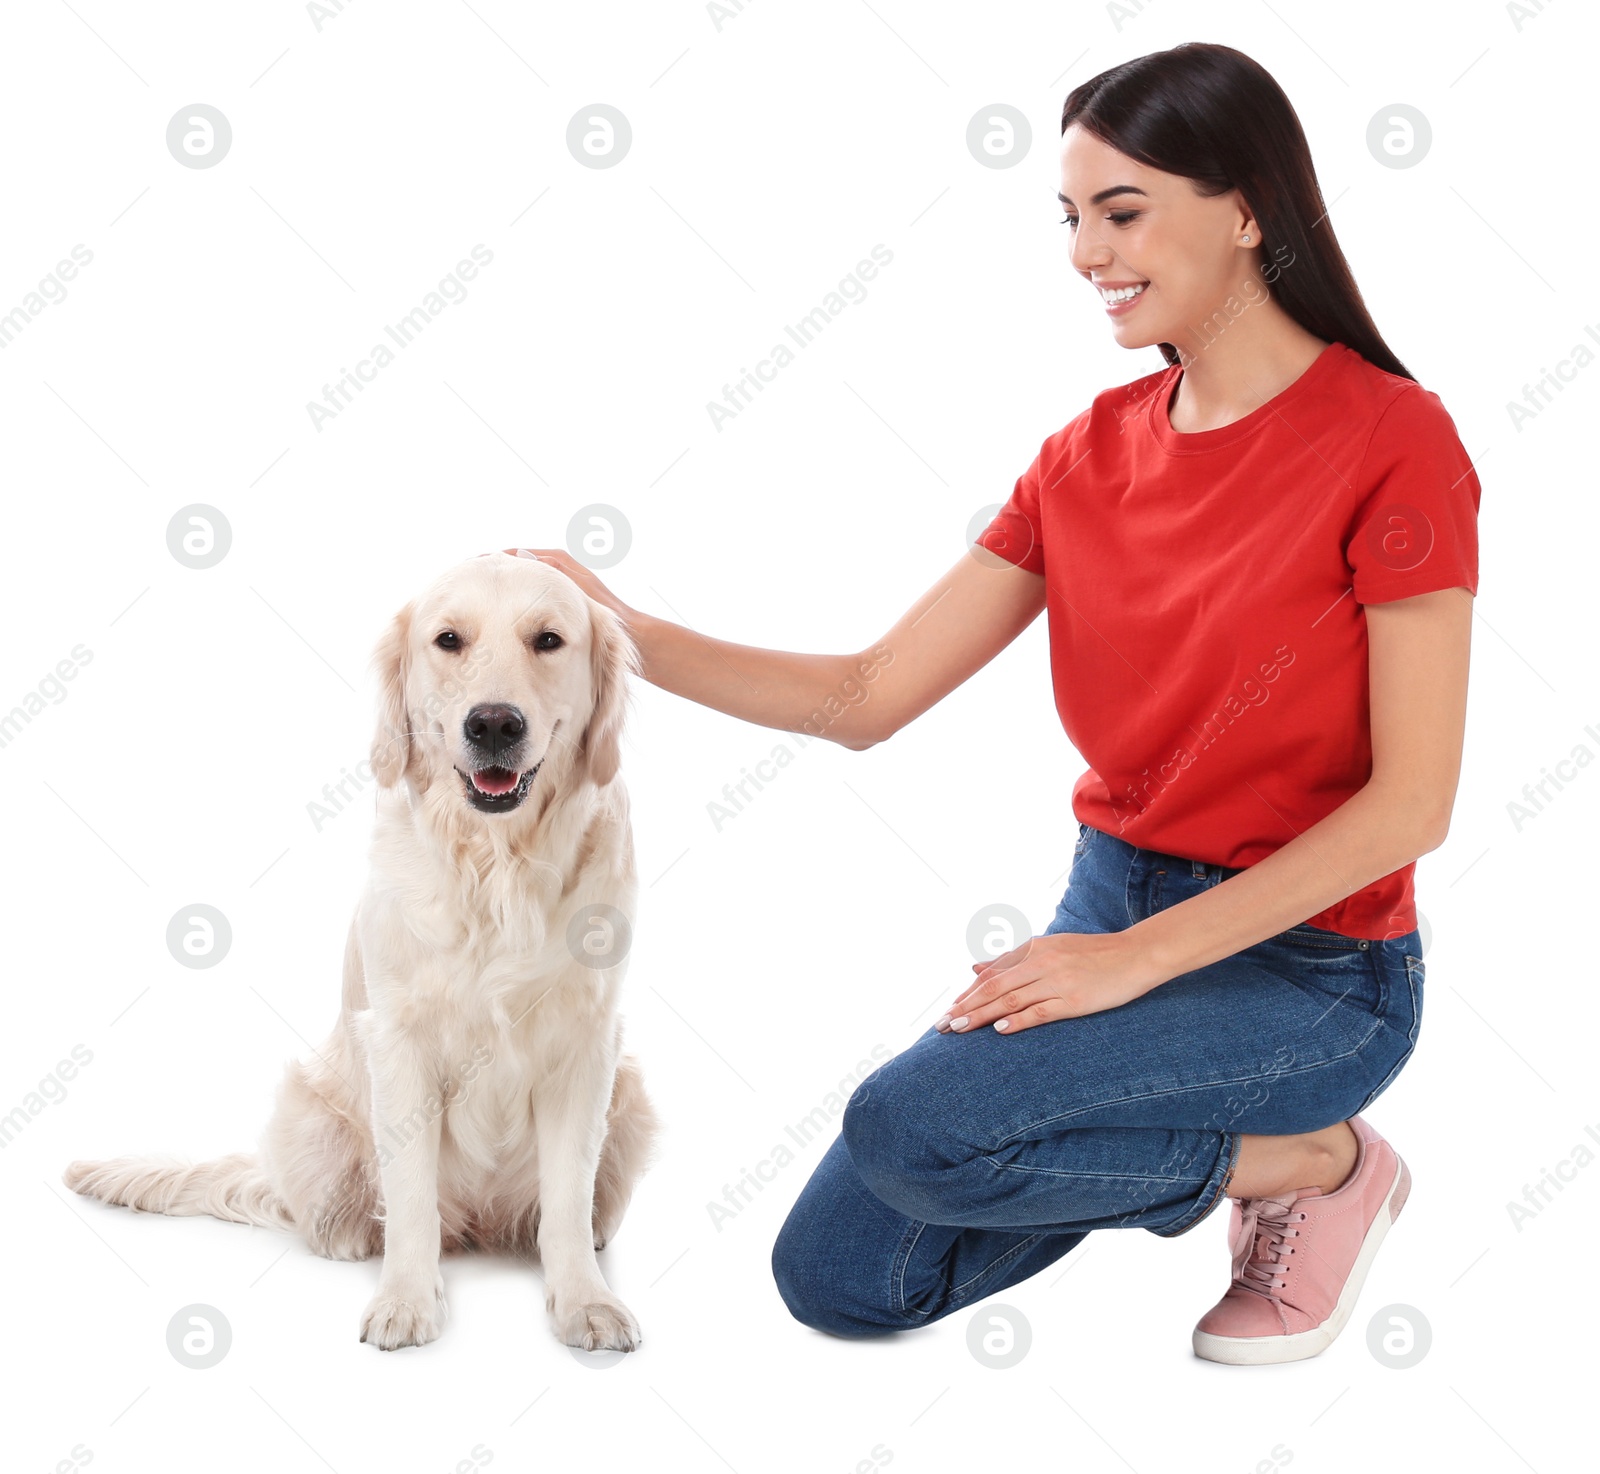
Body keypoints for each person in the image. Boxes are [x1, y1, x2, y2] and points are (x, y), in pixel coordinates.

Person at [507, 40, 1480, 1365]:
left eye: (1121, 211)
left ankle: (1318, 1148)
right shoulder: (1087, 454)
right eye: (1072, 218)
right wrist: (624, 633)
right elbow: (866, 694)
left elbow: (1411, 804)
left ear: (1246, 208)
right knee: (842, 1273)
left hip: (1315, 968)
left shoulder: (1392, 440)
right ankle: (1275, 1159)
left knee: (914, 1129)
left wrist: (1127, 963)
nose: (1087, 252)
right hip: (1111, 895)